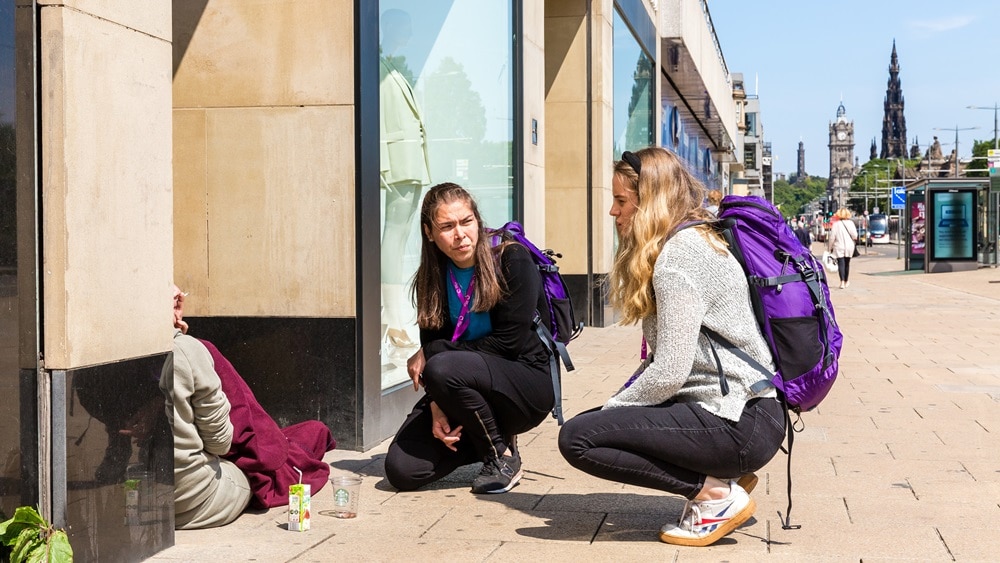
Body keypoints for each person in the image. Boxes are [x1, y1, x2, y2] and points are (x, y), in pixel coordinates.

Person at [557, 147, 786, 547]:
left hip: (738, 421)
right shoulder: (694, 240)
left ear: (649, 203)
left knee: (579, 438)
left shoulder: (679, 259)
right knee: (605, 422)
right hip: (749, 412)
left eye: (622, 201)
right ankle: (718, 480)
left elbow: (670, 372)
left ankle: (714, 494)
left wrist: (615, 408)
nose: (613, 212)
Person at [383, 182, 554, 494]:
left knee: (442, 366)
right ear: (429, 233)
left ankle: (500, 456)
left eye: (466, 222)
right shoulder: (430, 279)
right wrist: (437, 403)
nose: (460, 234)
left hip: (524, 385)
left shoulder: (512, 259)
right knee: (402, 470)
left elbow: (507, 344)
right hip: (461, 386)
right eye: (447, 226)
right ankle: (487, 434)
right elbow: (436, 350)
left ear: (478, 220)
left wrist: (435, 354)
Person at [165, 286, 336, 529]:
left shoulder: (121, 349)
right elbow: (221, 442)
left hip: (138, 491)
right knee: (280, 453)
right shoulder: (192, 349)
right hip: (191, 500)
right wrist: (188, 346)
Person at [380, 8, 431, 360]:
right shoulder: (379, 68)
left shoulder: (394, 69)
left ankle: (395, 313)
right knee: (393, 241)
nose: (409, 38)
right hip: (397, 167)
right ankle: (391, 315)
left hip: (410, 166)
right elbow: (380, 121)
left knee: (399, 242)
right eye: (406, 30)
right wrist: (382, 167)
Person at [826, 208, 858, 289]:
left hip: (839, 246)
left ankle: (842, 282)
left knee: (841, 264)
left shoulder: (836, 224)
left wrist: (829, 248)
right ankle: (847, 281)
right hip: (849, 246)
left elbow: (832, 237)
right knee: (847, 264)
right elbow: (855, 236)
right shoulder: (851, 223)